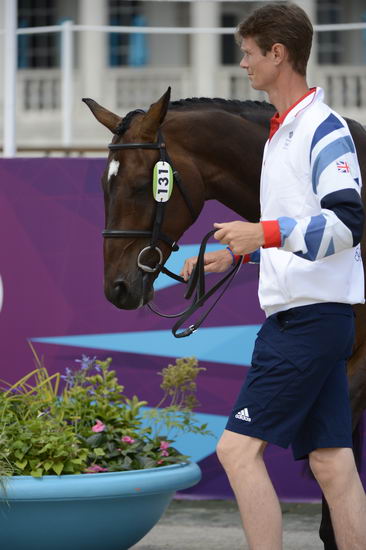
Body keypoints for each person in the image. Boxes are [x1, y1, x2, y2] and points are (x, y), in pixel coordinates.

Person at [181, 3, 366, 549]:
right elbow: (308, 240)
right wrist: (237, 255)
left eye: (249, 52)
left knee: (236, 452)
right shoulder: (280, 135)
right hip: (315, 319)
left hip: (306, 325)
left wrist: (259, 233)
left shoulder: (321, 129)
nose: (243, 64)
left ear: (277, 54)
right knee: (333, 465)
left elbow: (349, 224)